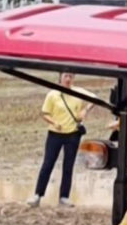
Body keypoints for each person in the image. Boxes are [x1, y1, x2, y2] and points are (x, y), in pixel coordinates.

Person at [27, 72, 94, 208]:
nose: (68, 79)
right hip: (55, 134)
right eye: (66, 76)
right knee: (48, 164)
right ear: (60, 78)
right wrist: (54, 122)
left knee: (68, 166)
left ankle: (64, 197)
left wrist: (85, 110)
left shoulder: (78, 92)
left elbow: (94, 98)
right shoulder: (53, 94)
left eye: (71, 76)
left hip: (73, 134)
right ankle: (37, 195)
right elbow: (45, 113)